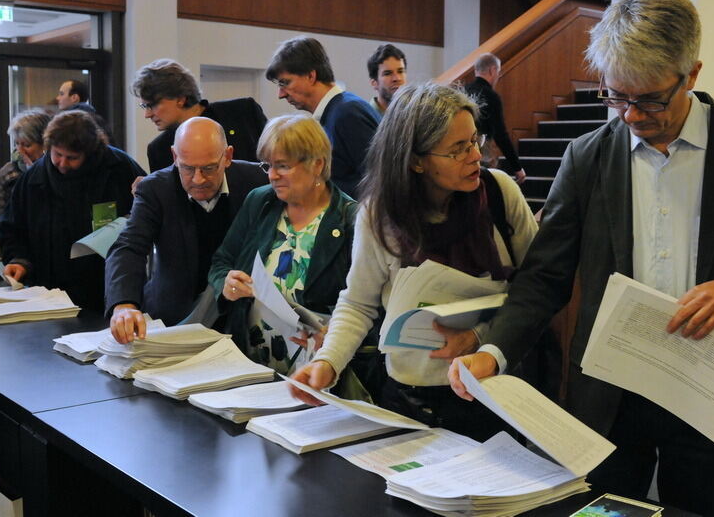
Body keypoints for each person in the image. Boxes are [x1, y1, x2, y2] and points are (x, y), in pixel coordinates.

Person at [449, 0, 714, 517]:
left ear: (691, 74)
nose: (631, 115)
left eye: (650, 100)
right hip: (613, 394)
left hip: (711, 394)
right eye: (615, 96)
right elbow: (546, 276)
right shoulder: (587, 157)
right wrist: (493, 349)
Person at [290, 83, 538, 440]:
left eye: (474, 141)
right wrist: (326, 363)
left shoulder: (499, 193)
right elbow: (358, 303)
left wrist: (477, 335)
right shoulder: (380, 214)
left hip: (489, 392)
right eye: (457, 149)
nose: (475, 156)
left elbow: (533, 292)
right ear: (415, 160)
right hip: (406, 396)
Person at [208, 115, 369, 384]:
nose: (272, 175)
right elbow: (222, 261)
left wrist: (334, 334)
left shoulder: (352, 220)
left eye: (282, 166)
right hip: (251, 365)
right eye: (267, 165)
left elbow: (370, 303)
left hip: (317, 374)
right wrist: (226, 283)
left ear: (317, 164)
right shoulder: (260, 202)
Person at [105, 117, 267, 342]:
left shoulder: (257, 181)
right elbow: (129, 246)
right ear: (174, 157)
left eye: (209, 168)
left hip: (241, 315)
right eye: (187, 168)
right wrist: (123, 304)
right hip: (174, 317)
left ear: (228, 156)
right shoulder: (155, 189)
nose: (198, 179)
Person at [0, 110, 145, 310]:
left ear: (90, 152)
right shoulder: (33, 178)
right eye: (57, 154)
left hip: (107, 290)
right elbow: (12, 227)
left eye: (72, 158)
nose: (62, 163)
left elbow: (148, 214)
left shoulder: (120, 168)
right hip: (48, 293)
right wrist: (19, 260)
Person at [266, 37, 379, 198]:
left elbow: (378, 182)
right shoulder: (338, 111)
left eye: (285, 83)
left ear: (311, 76)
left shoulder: (348, 113)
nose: (281, 94)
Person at [132, 59, 267, 171]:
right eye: (144, 106)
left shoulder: (242, 111)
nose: (147, 114)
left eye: (152, 105)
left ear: (180, 99)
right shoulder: (159, 149)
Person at [0, 109, 51, 263]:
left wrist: (35, 172)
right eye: (17, 143)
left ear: (45, 144)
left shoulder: (58, 173)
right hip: (16, 258)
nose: (20, 151)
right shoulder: (8, 173)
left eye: (27, 145)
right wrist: (4, 262)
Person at [464, 53, 526, 183]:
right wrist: (517, 166)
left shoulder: (462, 91)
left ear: (476, 70)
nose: (498, 75)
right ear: (492, 70)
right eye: (498, 71)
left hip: (461, 153)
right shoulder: (491, 96)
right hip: (482, 154)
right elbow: (500, 134)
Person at [366, 43, 407, 115]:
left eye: (400, 71)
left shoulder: (414, 115)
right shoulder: (366, 117)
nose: (397, 78)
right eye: (387, 73)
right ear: (374, 83)